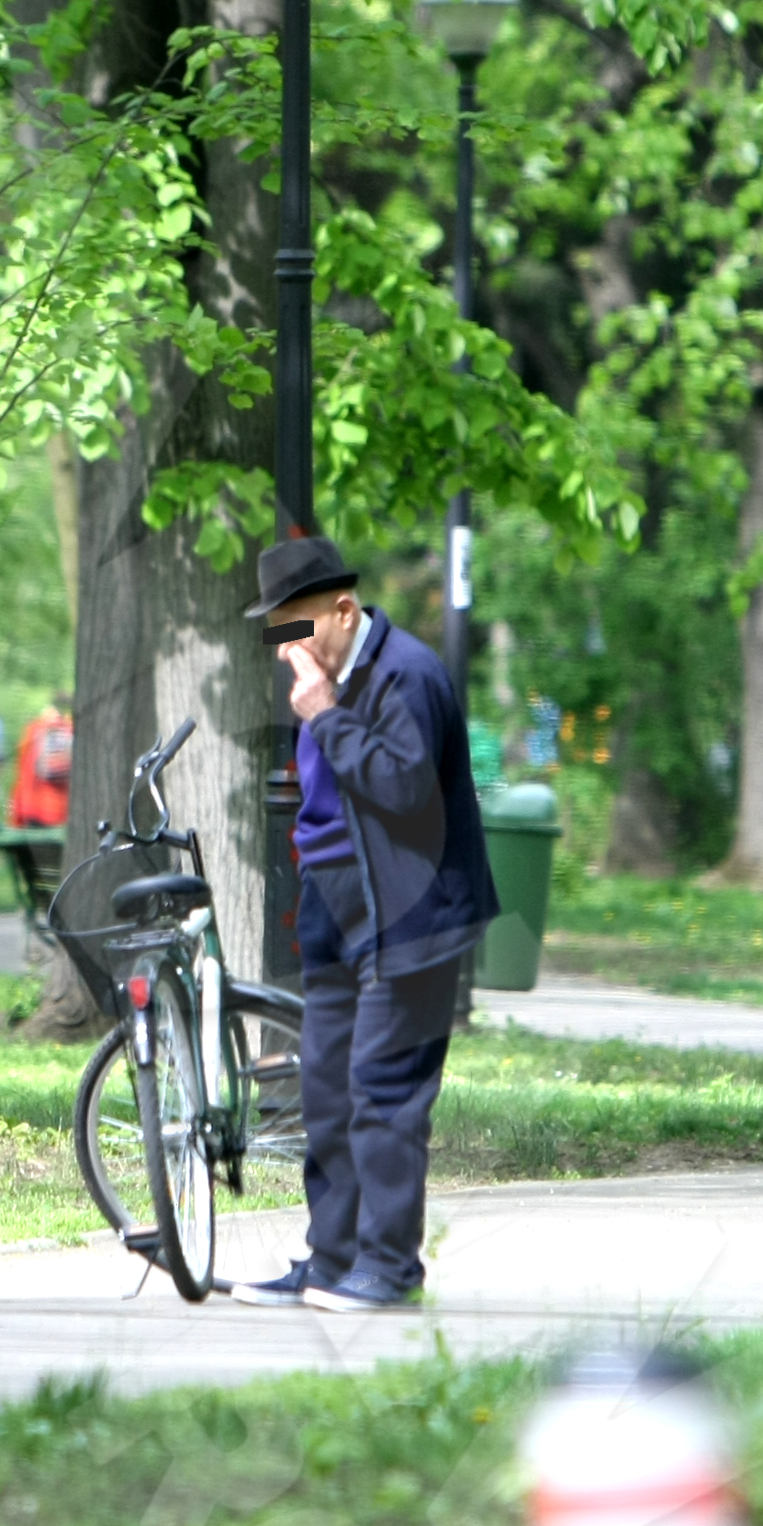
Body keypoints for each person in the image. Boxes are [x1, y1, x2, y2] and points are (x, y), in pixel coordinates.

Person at [232, 536, 498, 1313]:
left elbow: (405, 788)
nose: (287, 649)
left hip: (408, 912)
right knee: (326, 1091)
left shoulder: (404, 674)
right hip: (336, 909)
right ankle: (331, 1261)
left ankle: (388, 1269)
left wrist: (322, 713)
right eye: (277, 632)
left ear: (344, 610)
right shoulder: (328, 676)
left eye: (296, 627)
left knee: (384, 1089)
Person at [7, 696, 73, 830]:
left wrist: (17, 818)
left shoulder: (34, 730)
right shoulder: (72, 730)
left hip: (34, 809)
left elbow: (23, 772)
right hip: (64, 813)